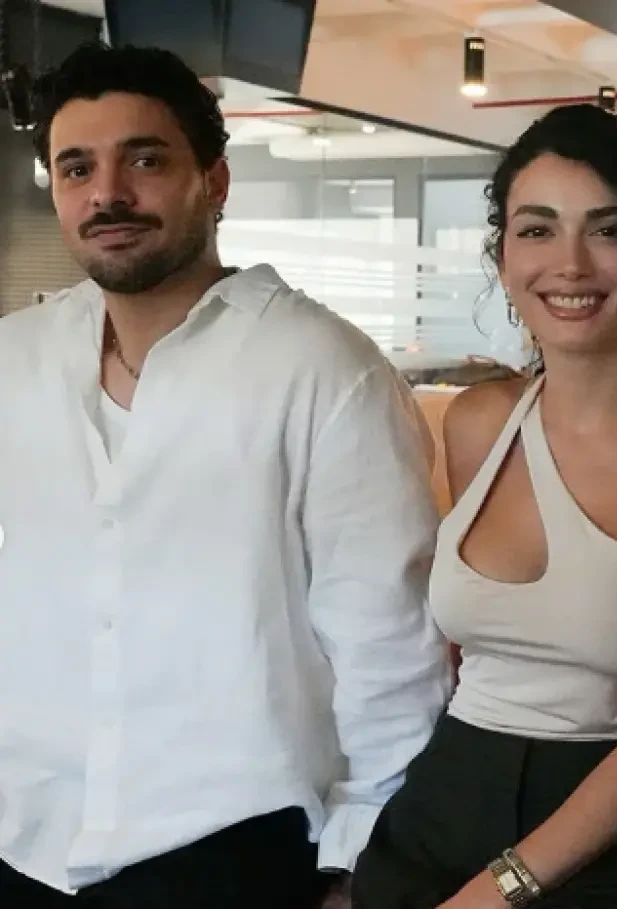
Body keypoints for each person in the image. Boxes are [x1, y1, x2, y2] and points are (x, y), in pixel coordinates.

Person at [0, 43, 452, 908]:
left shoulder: (323, 367)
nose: (107, 194)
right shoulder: (15, 360)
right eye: (77, 168)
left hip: (233, 852)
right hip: (28, 842)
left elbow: (389, 651)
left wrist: (359, 866)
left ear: (214, 181)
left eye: (144, 160)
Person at [351, 103, 617, 909]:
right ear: (504, 257)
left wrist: (498, 889)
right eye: (537, 229)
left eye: (607, 230)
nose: (569, 264)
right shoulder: (475, 423)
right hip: (440, 814)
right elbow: (452, 660)